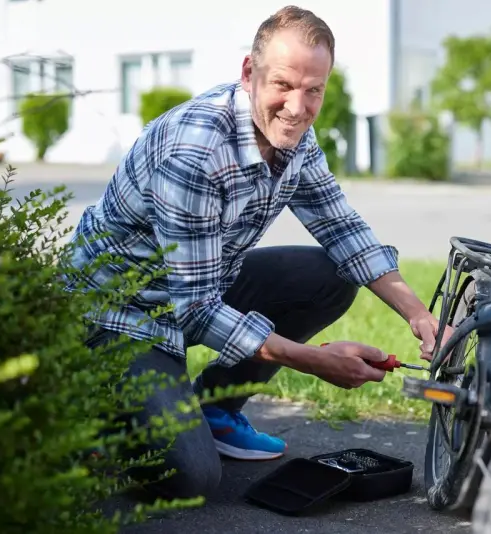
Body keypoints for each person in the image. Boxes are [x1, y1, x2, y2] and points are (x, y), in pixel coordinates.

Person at [64, 5, 452, 500]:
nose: (297, 107)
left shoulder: (296, 138)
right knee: (190, 479)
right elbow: (199, 311)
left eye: (314, 90)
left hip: (201, 285)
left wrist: (420, 315)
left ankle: (214, 408)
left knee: (330, 274)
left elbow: (343, 228)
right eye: (283, 86)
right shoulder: (195, 152)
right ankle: (100, 416)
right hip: (122, 313)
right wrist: (314, 360)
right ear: (249, 73)